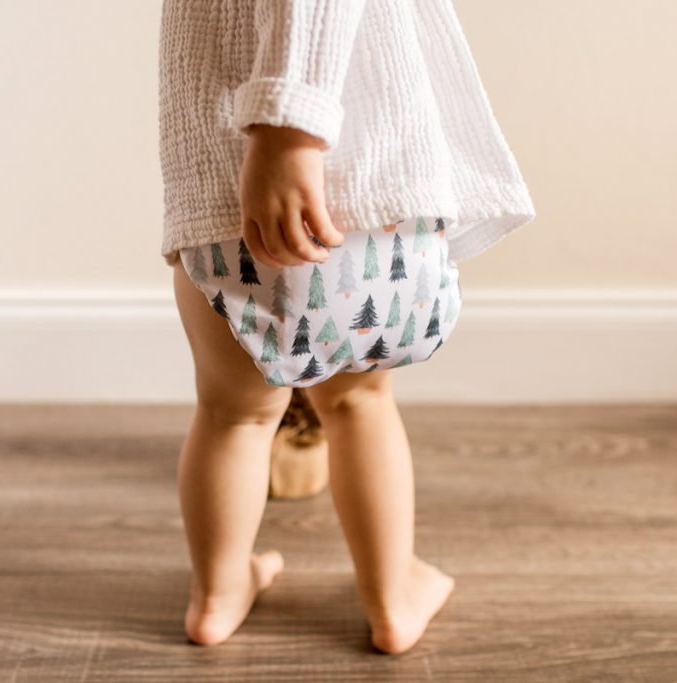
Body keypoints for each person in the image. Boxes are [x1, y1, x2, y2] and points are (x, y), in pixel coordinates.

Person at [158, 0, 536, 654]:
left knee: (231, 416)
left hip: (220, 199)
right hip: (348, 186)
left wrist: (287, 132)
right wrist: (289, 133)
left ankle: (216, 597)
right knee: (360, 403)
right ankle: (393, 599)